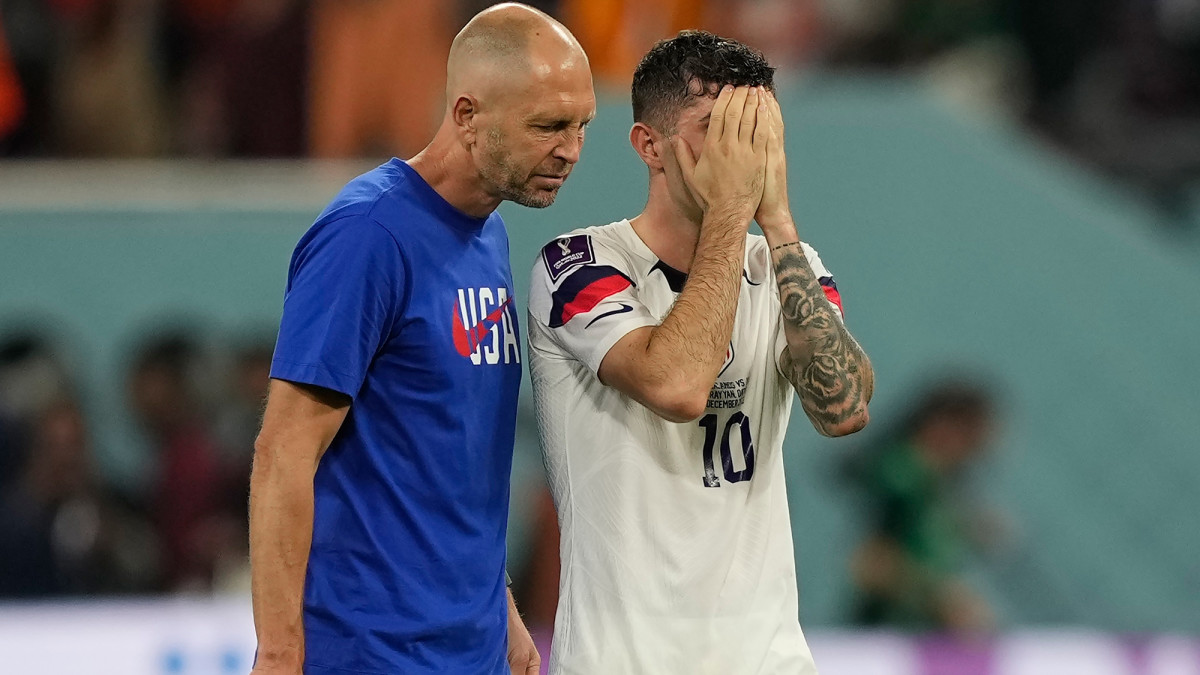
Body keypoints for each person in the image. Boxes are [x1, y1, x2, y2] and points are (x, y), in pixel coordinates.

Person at [248, 4, 594, 675]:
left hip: (469, 650)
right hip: (372, 652)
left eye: (581, 124)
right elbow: (282, 452)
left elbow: (443, 460)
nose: (571, 150)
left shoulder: (487, 232)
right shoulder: (368, 236)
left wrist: (504, 616)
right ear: (467, 115)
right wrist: (280, 650)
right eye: (548, 126)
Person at [527, 31, 874, 674]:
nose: (741, 156)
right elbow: (679, 386)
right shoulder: (579, 265)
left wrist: (779, 226)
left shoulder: (787, 267)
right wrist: (732, 210)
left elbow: (845, 409)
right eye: (718, 129)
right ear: (648, 146)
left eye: (756, 133)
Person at [846, 380, 999, 634]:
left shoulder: (944, 484)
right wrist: (940, 600)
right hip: (887, 635)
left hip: (926, 637)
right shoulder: (903, 474)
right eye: (973, 435)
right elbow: (870, 562)